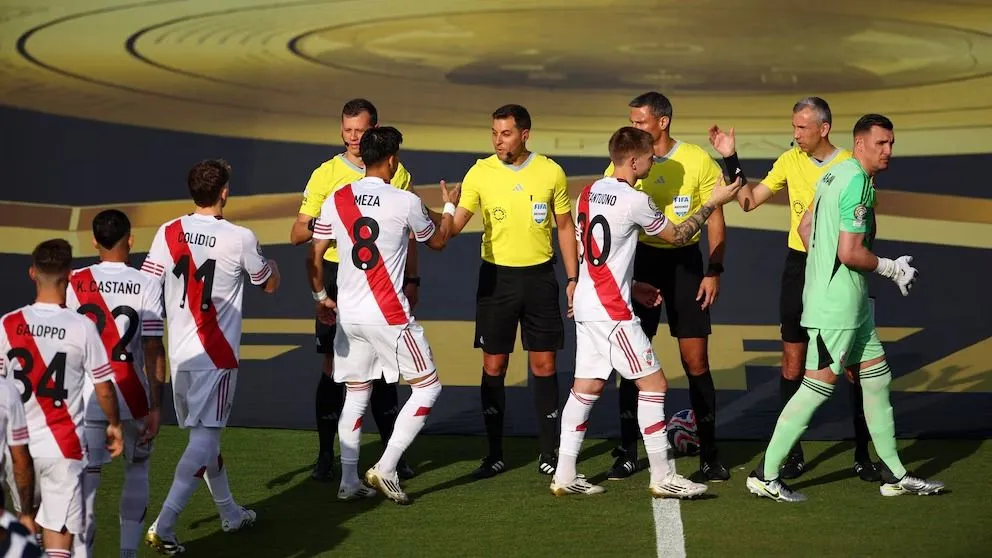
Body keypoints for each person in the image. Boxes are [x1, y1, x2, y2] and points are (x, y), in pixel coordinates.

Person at [746, 114, 945, 502]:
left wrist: (824, 264)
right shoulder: (854, 181)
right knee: (816, 388)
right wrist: (890, 268)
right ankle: (765, 475)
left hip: (852, 305)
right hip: (835, 307)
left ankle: (894, 473)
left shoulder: (835, 175)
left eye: (891, 143)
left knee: (876, 378)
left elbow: (806, 229)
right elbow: (851, 252)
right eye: (881, 144)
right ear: (859, 144)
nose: (888, 151)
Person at [553, 127, 743, 497]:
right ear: (634, 160)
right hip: (613, 312)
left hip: (588, 305)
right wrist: (711, 202)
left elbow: (588, 249)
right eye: (649, 158)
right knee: (654, 385)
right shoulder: (634, 199)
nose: (653, 162)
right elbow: (677, 236)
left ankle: (564, 474)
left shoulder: (587, 192)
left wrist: (632, 285)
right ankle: (662, 475)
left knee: (585, 389)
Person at [708, 97, 878, 481]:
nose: (795, 134)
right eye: (794, 127)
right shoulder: (789, 161)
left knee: (855, 367)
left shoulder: (851, 165)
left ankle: (865, 454)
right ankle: (791, 454)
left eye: (802, 128)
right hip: (799, 267)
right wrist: (730, 159)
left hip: (840, 269)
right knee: (792, 362)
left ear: (824, 128)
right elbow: (749, 202)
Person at [308, 126, 457, 504]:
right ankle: (386, 466)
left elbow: (314, 254)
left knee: (357, 393)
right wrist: (450, 206)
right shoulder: (404, 200)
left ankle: (348, 481)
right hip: (387, 313)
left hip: (349, 313)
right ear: (392, 159)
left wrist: (321, 296)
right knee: (428, 387)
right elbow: (438, 240)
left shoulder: (338, 198)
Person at [142, 159, 281, 553]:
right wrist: (272, 266)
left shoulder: (168, 232)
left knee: (206, 438)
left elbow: (149, 288)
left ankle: (230, 512)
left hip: (180, 354)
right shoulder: (240, 237)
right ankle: (165, 524)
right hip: (216, 354)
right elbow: (266, 284)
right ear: (224, 192)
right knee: (205, 439)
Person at [445, 104, 578, 479]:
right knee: (494, 365)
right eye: (494, 133)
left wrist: (573, 278)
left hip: (539, 279)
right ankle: (494, 453)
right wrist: (448, 206)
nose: (498, 140)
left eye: (505, 133)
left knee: (544, 365)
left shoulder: (551, 171)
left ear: (524, 134)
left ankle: (549, 451)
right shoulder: (480, 172)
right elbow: (453, 228)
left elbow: (565, 226)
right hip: (496, 281)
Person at [289, 98, 416, 482]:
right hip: (337, 274)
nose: (353, 139)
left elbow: (408, 237)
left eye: (360, 131)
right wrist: (335, 225)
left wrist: (413, 282)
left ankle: (393, 458)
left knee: (384, 368)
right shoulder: (326, 174)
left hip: (383, 276)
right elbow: (297, 232)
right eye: (347, 131)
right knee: (332, 366)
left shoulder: (398, 171)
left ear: (375, 130)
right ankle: (326, 456)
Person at [605, 92, 729, 482]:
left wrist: (714, 269)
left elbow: (715, 218)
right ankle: (626, 451)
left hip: (686, 266)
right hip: (640, 263)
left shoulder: (695, 160)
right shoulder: (624, 161)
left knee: (696, 362)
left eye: (640, 121)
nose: (633, 128)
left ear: (663, 122)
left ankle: (709, 455)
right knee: (630, 362)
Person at [0, 239, 124, 558]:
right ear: (69, 275)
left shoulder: (8, 325)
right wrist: (114, 424)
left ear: (32, 273)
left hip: (18, 451)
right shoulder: (81, 327)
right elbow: (104, 387)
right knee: (59, 542)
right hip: (62, 448)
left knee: (30, 532)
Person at [66, 210, 167, 557]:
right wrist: (157, 405)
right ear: (130, 240)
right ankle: (127, 554)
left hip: (88, 396)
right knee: (137, 471)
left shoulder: (73, 282)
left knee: (86, 485)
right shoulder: (148, 283)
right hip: (134, 394)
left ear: (94, 242)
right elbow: (153, 348)